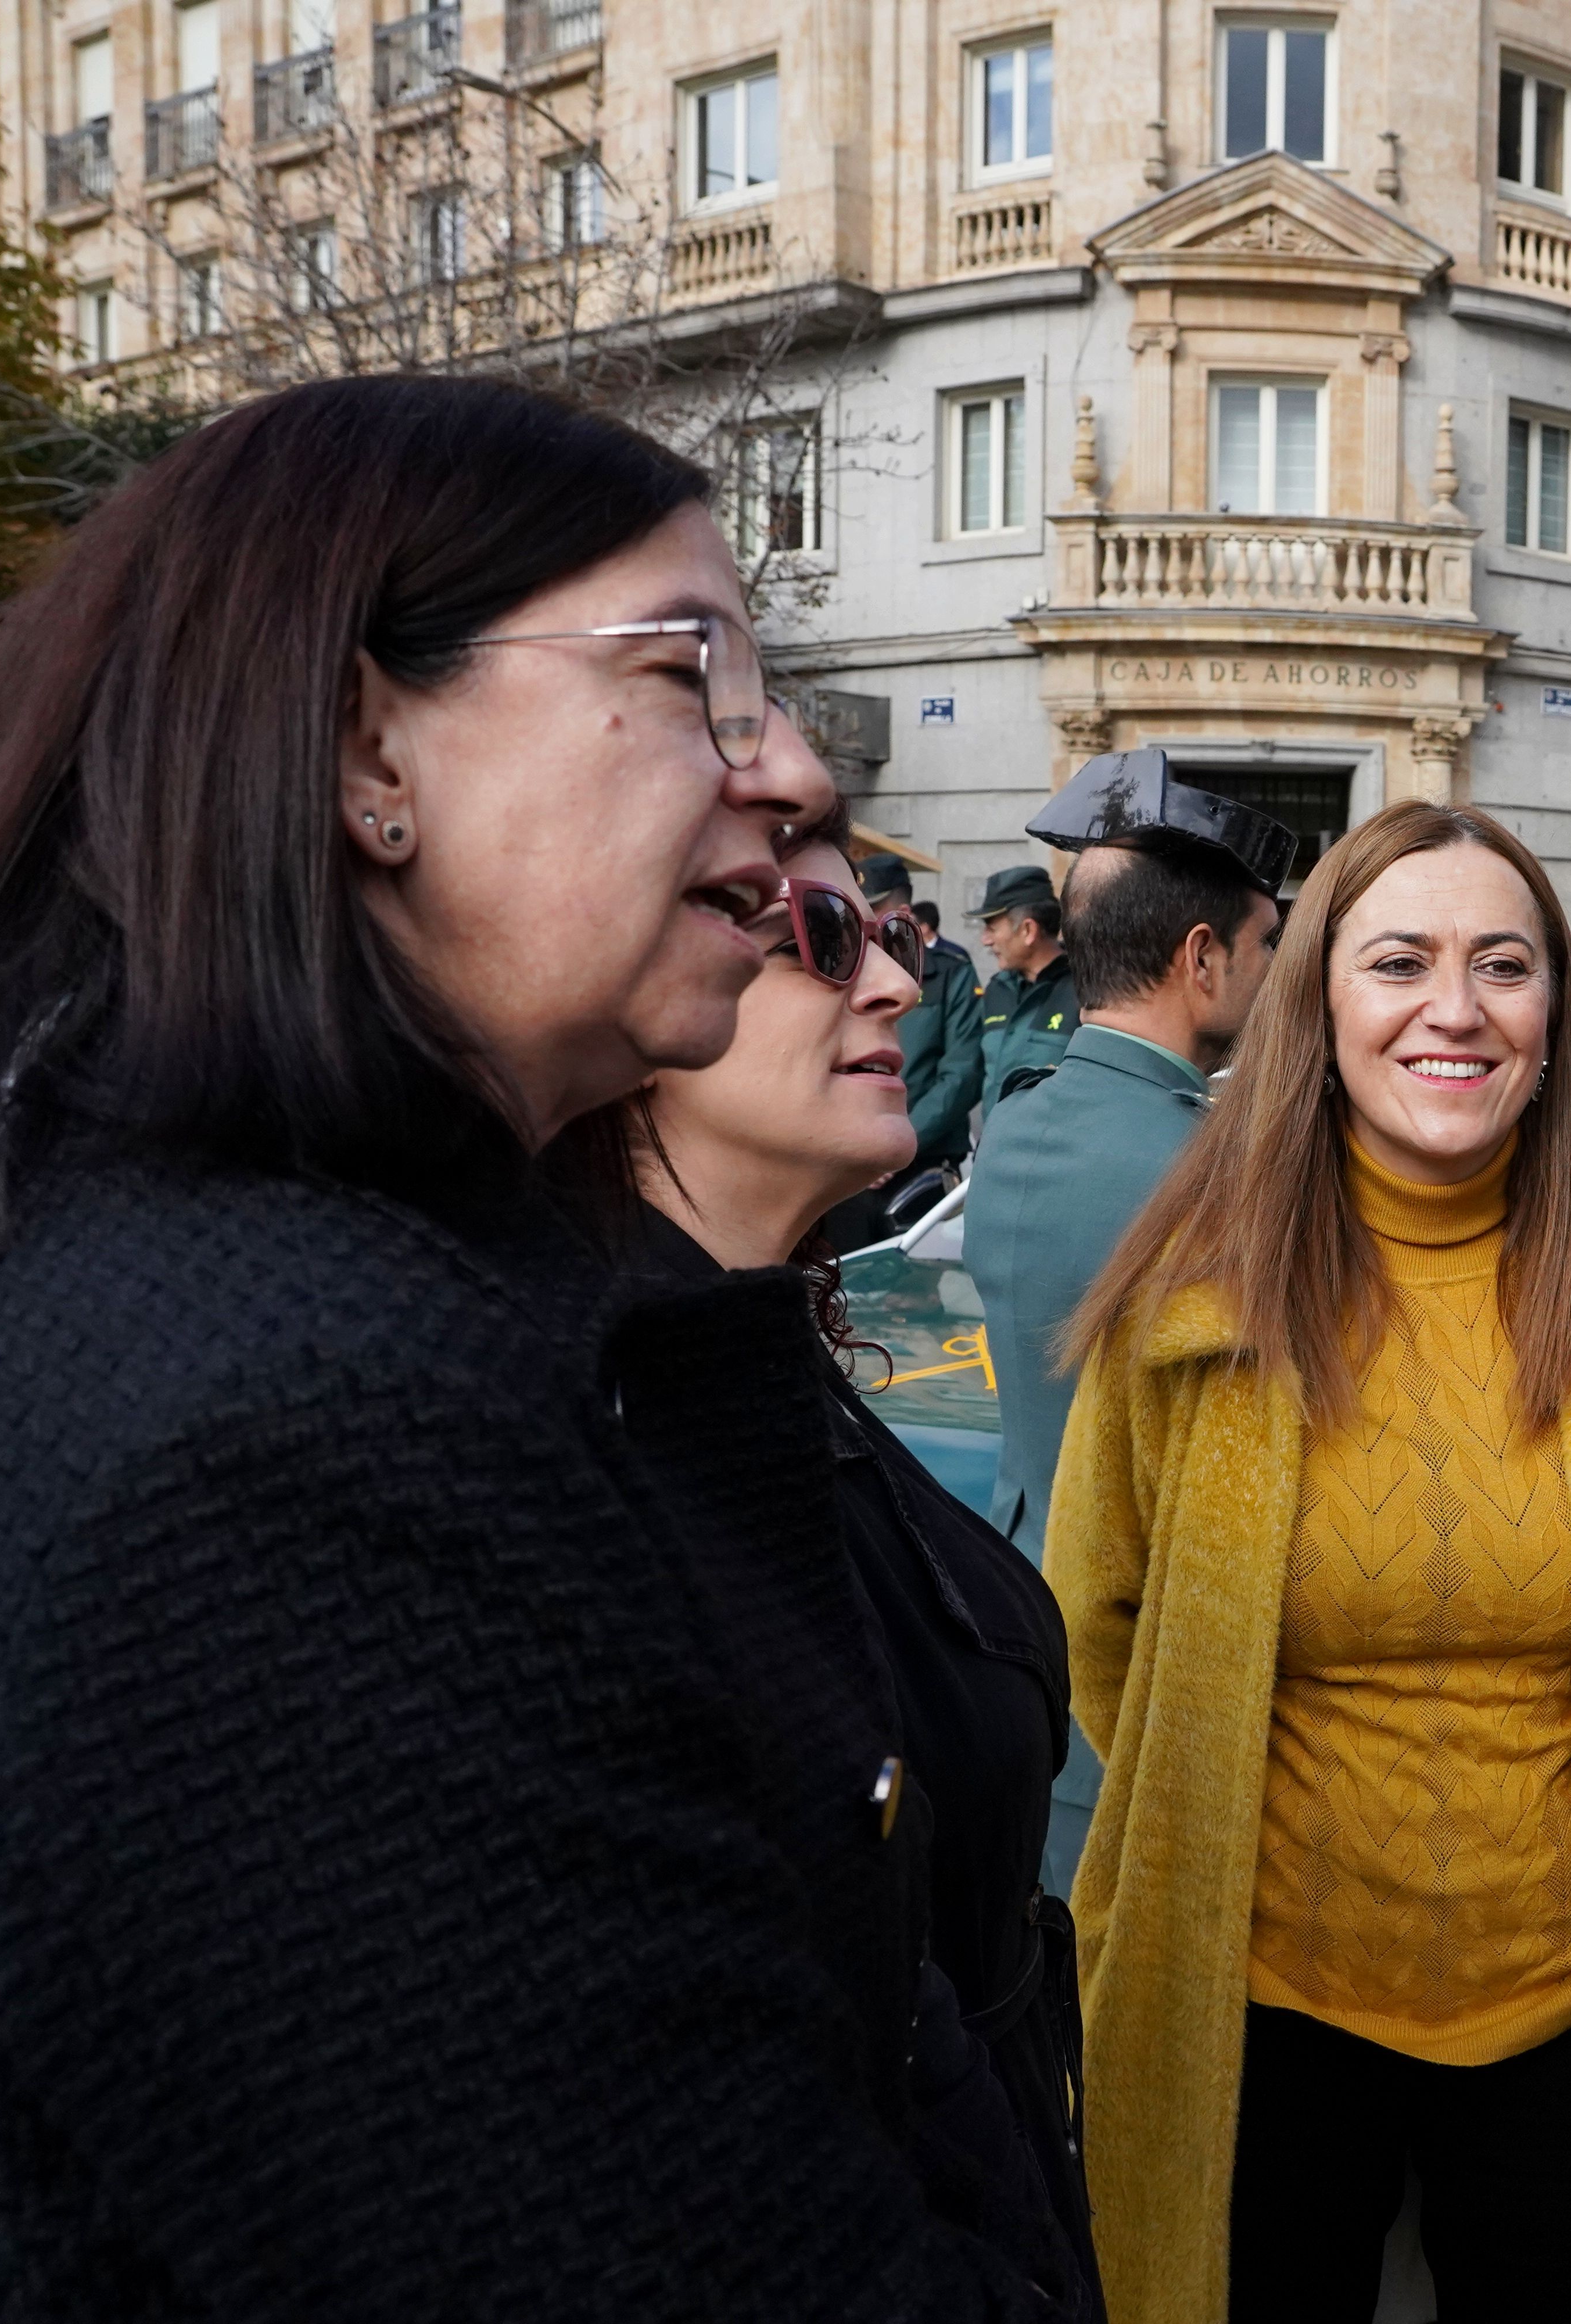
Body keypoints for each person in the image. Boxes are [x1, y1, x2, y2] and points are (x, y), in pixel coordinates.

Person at [0, 376, 1075, 2316]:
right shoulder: (293, 1467)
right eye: (689, 676)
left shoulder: (309, 1305)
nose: (792, 775)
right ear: (367, 746)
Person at [1046, 801, 1571, 2324]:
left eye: (1504, 964)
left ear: (1554, 1015)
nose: (1455, 1008)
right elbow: (1101, 1624)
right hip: (1260, 2010)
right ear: (1319, 1004)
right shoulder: (1189, 1300)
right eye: (1400, 961)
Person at [576, 802, 1098, 2312]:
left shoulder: (752, 1363)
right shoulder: (600, 1429)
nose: (887, 980)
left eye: (877, 935)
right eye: (813, 937)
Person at [964, 749, 1293, 1889]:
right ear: (1202, 957)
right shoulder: (1212, 1176)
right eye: (1265, 948)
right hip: (1153, 1680)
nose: (1271, 976)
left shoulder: (1017, 1121)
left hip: (1021, 1631)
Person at [870, 851, 987, 1175]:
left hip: (925, 1159)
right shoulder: (842, 972)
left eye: (871, 913)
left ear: (902, 913)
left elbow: (963, 1072)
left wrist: (902, 1143)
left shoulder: (952, 972)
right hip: (854, 1163)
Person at [977, 862, 1078, 1125]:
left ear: (1028, 930)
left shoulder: (1086, 991)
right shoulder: (997, 989)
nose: (985, 940)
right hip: (991, 1156)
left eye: (992, 927)